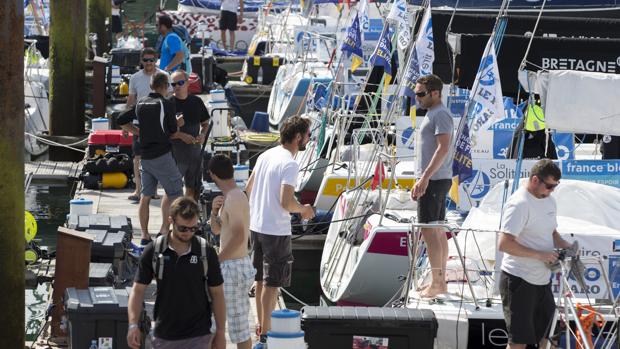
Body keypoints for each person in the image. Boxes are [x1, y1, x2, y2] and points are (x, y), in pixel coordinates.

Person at [245, 116, 315, 349]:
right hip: (275, 230)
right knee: (272, 284)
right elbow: (286, 202)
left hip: (256, 225)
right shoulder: (290, 163)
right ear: (298, 137)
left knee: (260, 282)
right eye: (307, 135)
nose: (308, 139)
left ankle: (261, 329)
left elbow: (249, 188)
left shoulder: (266, 155)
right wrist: (303, 210)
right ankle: (265, 336)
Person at [127, 197, 227, 349]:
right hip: (164, 335)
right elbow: (138, 290)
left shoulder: (205, 252)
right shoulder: (154, 250)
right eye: (183, 228)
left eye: (193, 228)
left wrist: (220, 332)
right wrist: (133, 325)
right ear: (170, 221)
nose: (188, 233)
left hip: (199, 335)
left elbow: (218, 293)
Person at [498, 159, 571, 349]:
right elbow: (504, 244)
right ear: (535, 180)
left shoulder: (549, 200)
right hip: (518, 280)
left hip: (542, 281)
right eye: (549, 186)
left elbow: (552, 232)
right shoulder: (519, 204)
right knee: (518, 341)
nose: (551, 191)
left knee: (551, 335)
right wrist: (540, 255)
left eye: (555, 186)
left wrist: (566, 245)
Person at [118, 71, 184, 243]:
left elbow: (121, 119)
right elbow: (171, 131)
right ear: (165, 86)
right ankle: (170, 231)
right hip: (162, 155)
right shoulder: (166, 104)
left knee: (145, 196)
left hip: (145, 157)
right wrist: (178, 123)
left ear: (150, 86)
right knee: (176, 192)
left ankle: (145, 236)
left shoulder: (141, 102)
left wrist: (137, 131)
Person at [410, 74, 454, 298]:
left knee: (429, 230)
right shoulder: (433, 114)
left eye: (421, 93)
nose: (417, 97)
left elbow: (443, 148)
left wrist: (424, 177)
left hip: (435, 180)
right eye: (416, 93)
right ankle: (440, 281)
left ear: (435, 93)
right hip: (436, 179)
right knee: (436, 229)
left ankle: (437, 283)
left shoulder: (441, 114)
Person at [208, 154, 255, 349]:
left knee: (237, 329)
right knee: (220, 324)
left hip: (232, 267)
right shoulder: (231, 197)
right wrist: (213, 212)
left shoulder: (234, 198)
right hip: (234, 265)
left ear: (212, 175)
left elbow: (238, 236)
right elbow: (218, 230)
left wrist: (217, 260)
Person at [125, 47, 167, 202]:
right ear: (141, 61)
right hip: (138, 122)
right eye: (146, 60)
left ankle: (153, 190)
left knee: (156, 156)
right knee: (137, 157)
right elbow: (131, 100)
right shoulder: (135, 78)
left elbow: (168, 99)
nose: (149, 63)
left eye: (152, 60)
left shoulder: (163, 76)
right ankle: (138, 190)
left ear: (156, 60)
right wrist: (126, 123)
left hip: (158, 123)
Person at [171, 70, 211, 200]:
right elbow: (162, 133)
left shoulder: (196, 101)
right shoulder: (168, 104)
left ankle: (188, 218)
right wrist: (180, 134)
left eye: (180, 83)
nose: (176, 86)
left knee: (193, 190)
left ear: (188, 83)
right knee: (172, 191)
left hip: (194, 154)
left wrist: (203, 134)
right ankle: (170, 220)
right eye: (173, 84)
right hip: (175, 156)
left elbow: (205, 123)